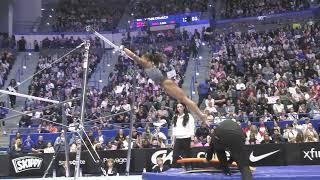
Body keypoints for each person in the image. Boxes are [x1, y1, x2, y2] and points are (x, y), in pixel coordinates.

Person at [122, 47, 206, 122]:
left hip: (166, 83)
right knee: (184, 100)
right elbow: (133, 57)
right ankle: (200, 115)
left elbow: (134, 56)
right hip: (166, 83)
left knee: (185, 100)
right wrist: (125, 53)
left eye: (143, 57)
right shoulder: (149, 64)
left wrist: (123, 48)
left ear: (146, 59)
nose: (141, 57)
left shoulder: (146, 63)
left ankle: (201, 115)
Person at [171, 103, 195, 168]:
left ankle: (189, 168)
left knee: (187, 155)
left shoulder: (189, 116)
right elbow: (174, 130)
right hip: (178, 139)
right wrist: (173, 141)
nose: (179, 108)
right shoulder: (175, 116)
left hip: (186, 138)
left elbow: (192, 128)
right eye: (178, 107)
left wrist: (192, 140)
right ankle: (174, 169)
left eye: (180, 106)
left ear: (184, 107)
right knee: (175, 155)